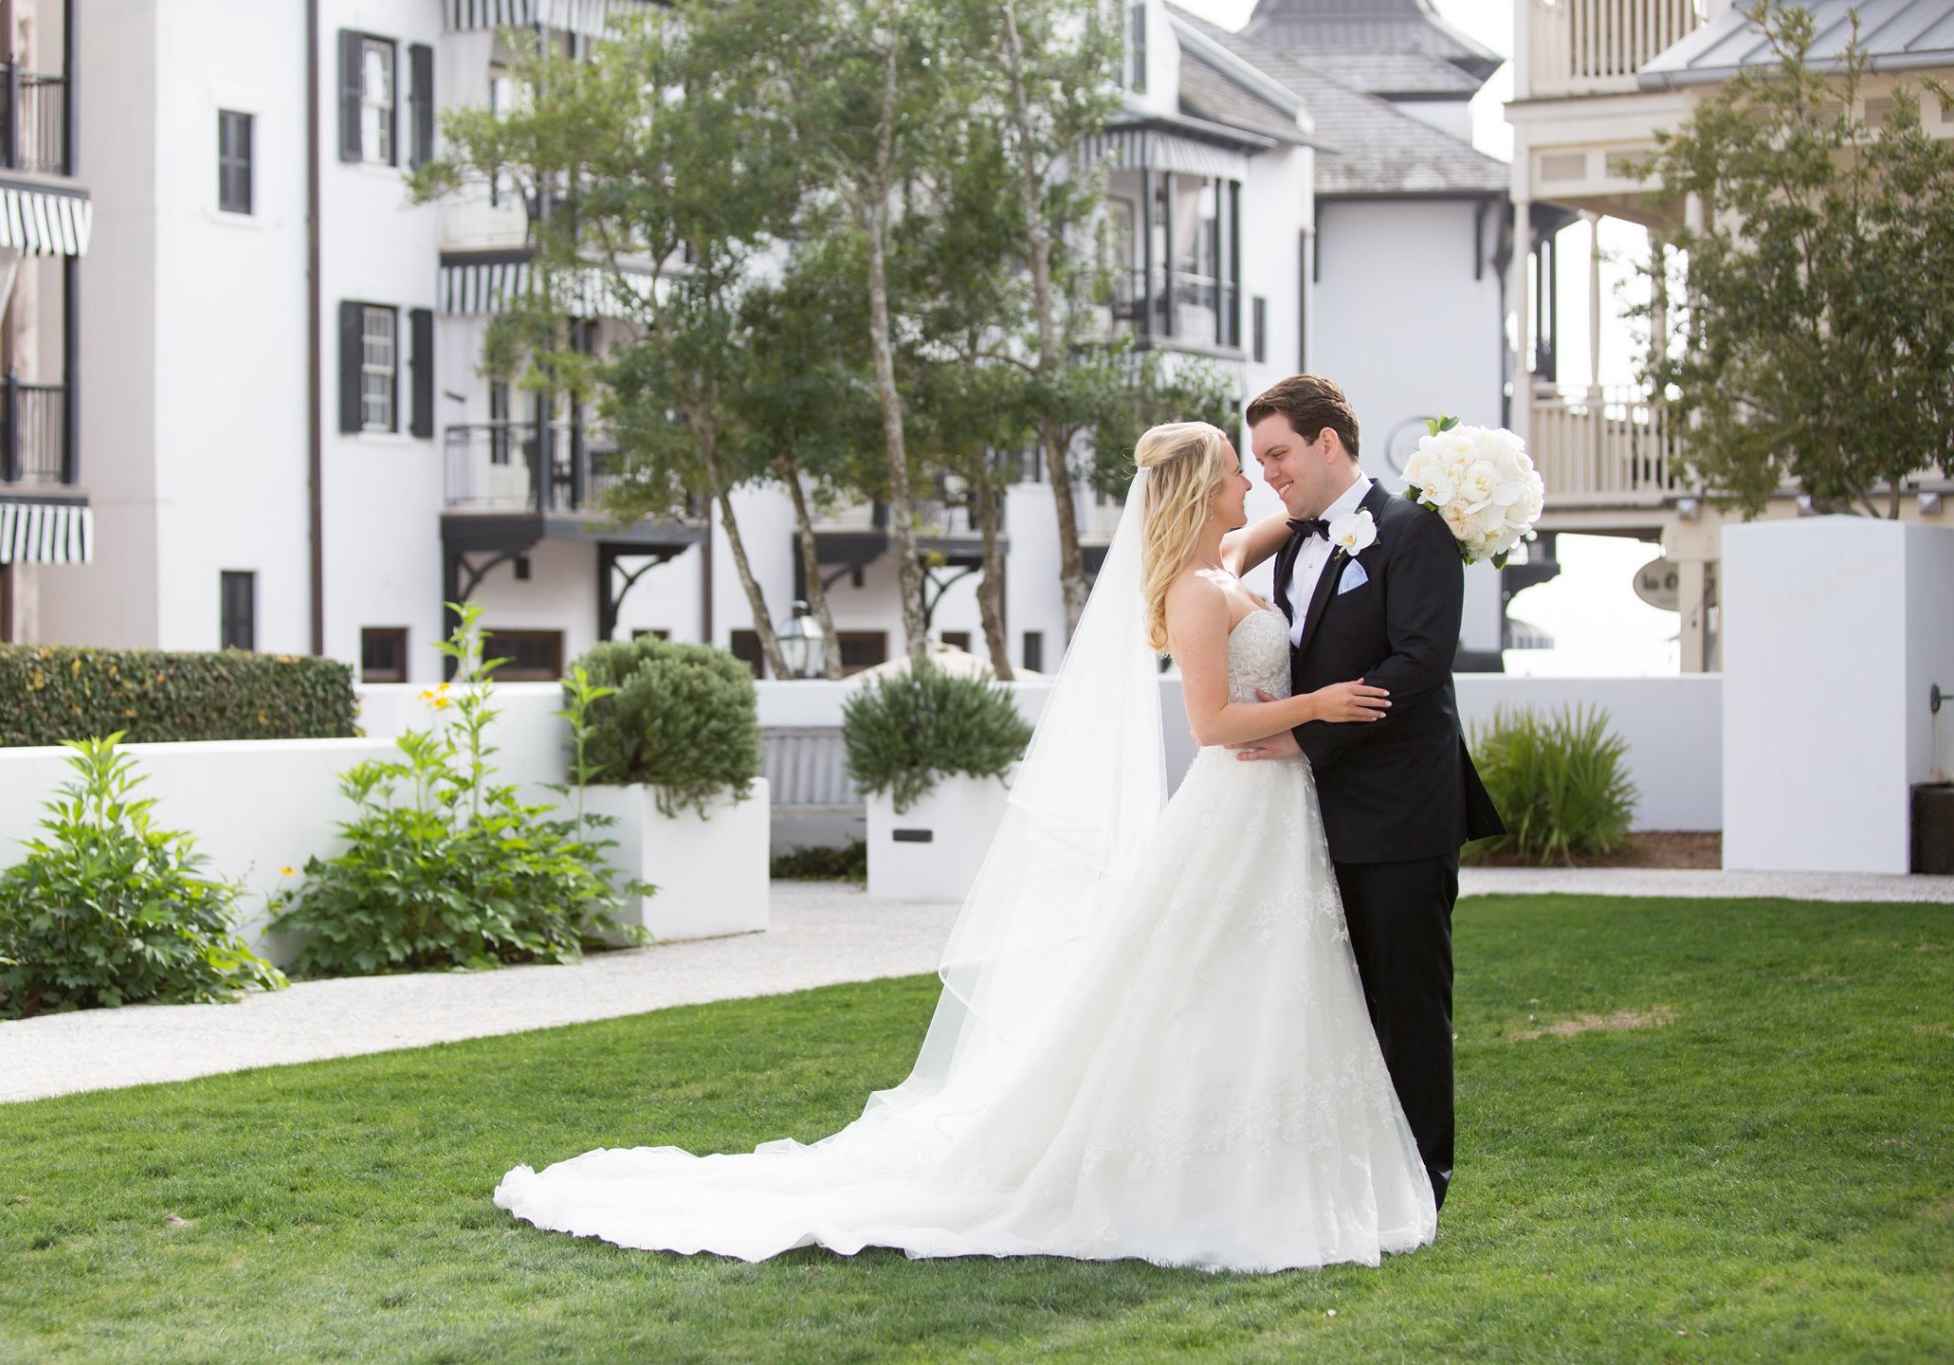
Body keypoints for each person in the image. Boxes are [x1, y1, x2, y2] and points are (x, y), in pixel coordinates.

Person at [493, 421, 1438, 1273]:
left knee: (1261, 986)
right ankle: (1193, 1168)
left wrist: (1389, 510)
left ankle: (1268, 1161)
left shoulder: (1225, 558)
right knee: (1203, 984)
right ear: (1203, 490)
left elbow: (1294, 528)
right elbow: (1209, 719)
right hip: (1236, 804)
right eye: (1238, 471)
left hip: (1275, 815)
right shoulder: (1197, 590)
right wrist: (1315, 705)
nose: (1254, 483)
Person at [1231, 375, 1505, 1212]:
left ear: (1327, 442)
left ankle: (1424, 1182)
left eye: (1278, 453)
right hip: (1317, 817)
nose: (1270, 473)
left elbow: (1418, 665)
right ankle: (1357, 1173)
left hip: (1402, 814)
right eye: (1260, 459)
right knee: (1341, 1010)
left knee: (1408, 1006)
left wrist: (1306, 734)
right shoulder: (1290, 542)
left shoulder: (1415, 531)